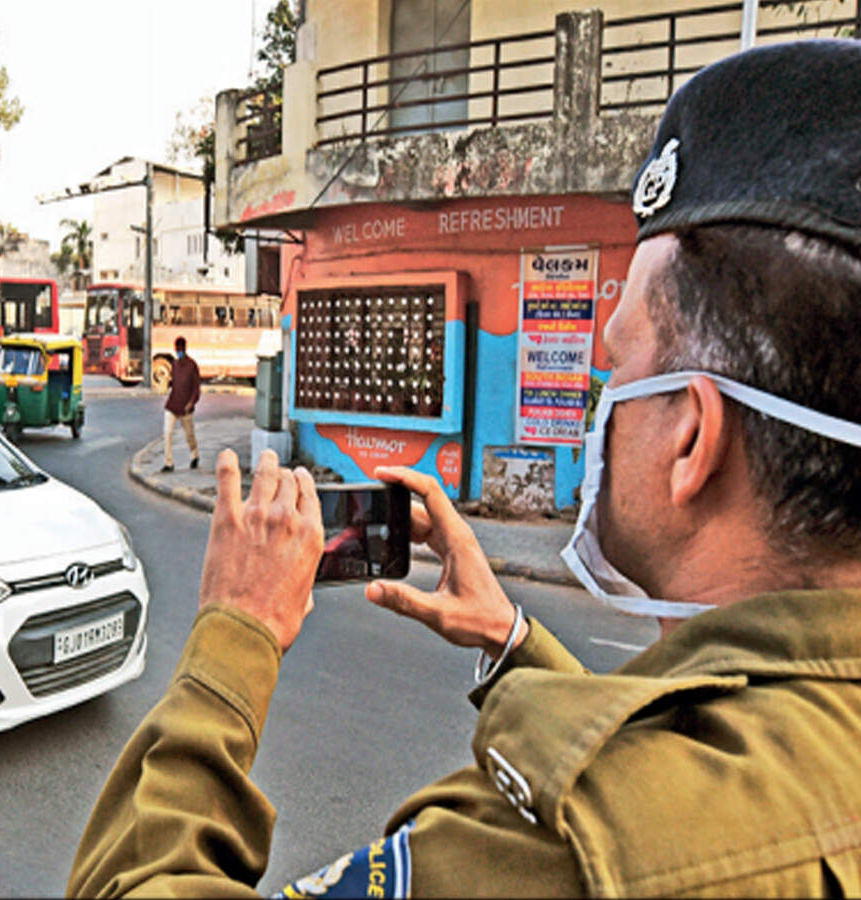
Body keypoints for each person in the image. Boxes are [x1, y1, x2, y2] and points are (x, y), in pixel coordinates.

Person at [68, 40, 861, 896]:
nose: (602, 395)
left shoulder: (560, 854)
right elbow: (695, 761)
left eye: (620, 369)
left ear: (691, 444)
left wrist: (236, 632)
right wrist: (509, 637)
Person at [160, 335, 199, 473]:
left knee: (189, 435)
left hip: (186, 408)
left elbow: (196, 388)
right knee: (167, 433)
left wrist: (191, 403)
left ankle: (195, 455)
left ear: (185, 349)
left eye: (181, 349)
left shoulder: (192, 366)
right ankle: (168, 463)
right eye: (177, 349)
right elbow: (173, 383)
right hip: (172, 404)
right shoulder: (175, 365)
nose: (179, 351)